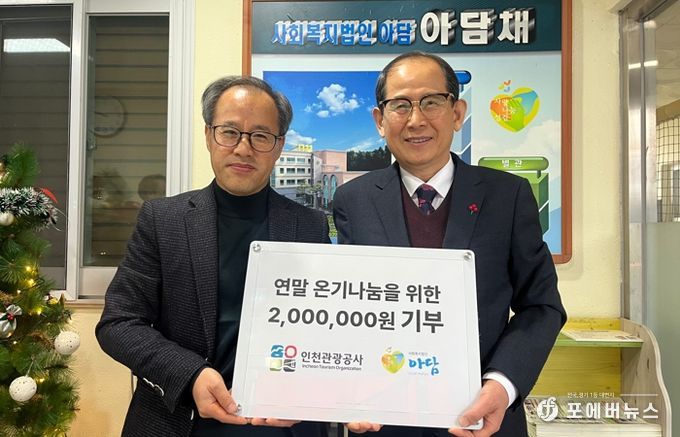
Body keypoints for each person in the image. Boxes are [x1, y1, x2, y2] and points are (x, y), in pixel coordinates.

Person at [332, 52, 567, 437]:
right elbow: (344, 307)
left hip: (482, 418)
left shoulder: (507, 196)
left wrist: (502, 384)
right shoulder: (353, 200)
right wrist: (344, 385)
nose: (416, 120)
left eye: (431, 102)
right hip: (383, 419)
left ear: (457, 113)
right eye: (400, 105)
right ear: (380, 120)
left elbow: (541, 306)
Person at [97, 76, 331, 437]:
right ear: (209, 135)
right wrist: (190, 374)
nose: (243, 148)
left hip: (282, 424)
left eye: (260, 135)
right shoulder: (163, 219)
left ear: (279, 145)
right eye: (230, 132)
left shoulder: (310, 226)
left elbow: (327, 328)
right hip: (181, 420)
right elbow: (119, 323)